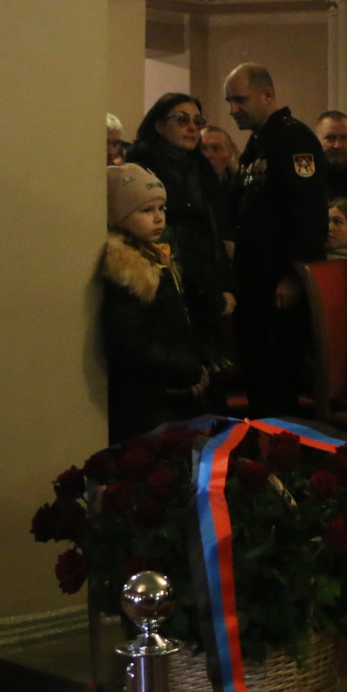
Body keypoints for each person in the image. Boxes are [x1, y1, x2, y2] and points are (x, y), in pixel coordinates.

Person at [223, 63, 328, 416]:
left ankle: (280, 447)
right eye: (229, 101)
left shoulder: (294, 139)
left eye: (240, 99)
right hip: (255, 283)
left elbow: (308, 210)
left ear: (267, 95)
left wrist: (293, 275)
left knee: (276, 383)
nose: (233, 109)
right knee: (258, 379)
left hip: (278, 286)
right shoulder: (258, 143)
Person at [100, 164, 213, 442]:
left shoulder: (154, 257)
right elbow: (130, 343)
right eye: (146, 210)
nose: (159, 217)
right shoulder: (128, 270)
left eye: (161, 208)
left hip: (169, 390)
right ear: (118, 215)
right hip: (149, 400)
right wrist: (188, 369)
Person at [126, 93, 234, 368]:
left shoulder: (201, 168)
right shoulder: (141, 168)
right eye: (182, 119)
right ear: (159, 126)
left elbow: (214, 231)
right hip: (164, 284)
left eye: (198, 121)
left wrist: (222, 286)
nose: (192, 127)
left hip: (205, 285)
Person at [199, 124, 240, 244]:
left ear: (231, 152)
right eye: (202, 149)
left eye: (216, 148)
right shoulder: (190, 189)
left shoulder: (240, 187)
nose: (208, 155)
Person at [313, 109, 347, 202]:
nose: (338, 145)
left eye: (344, 138)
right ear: (316, 141)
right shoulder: (306, 169)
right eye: (330, 138)